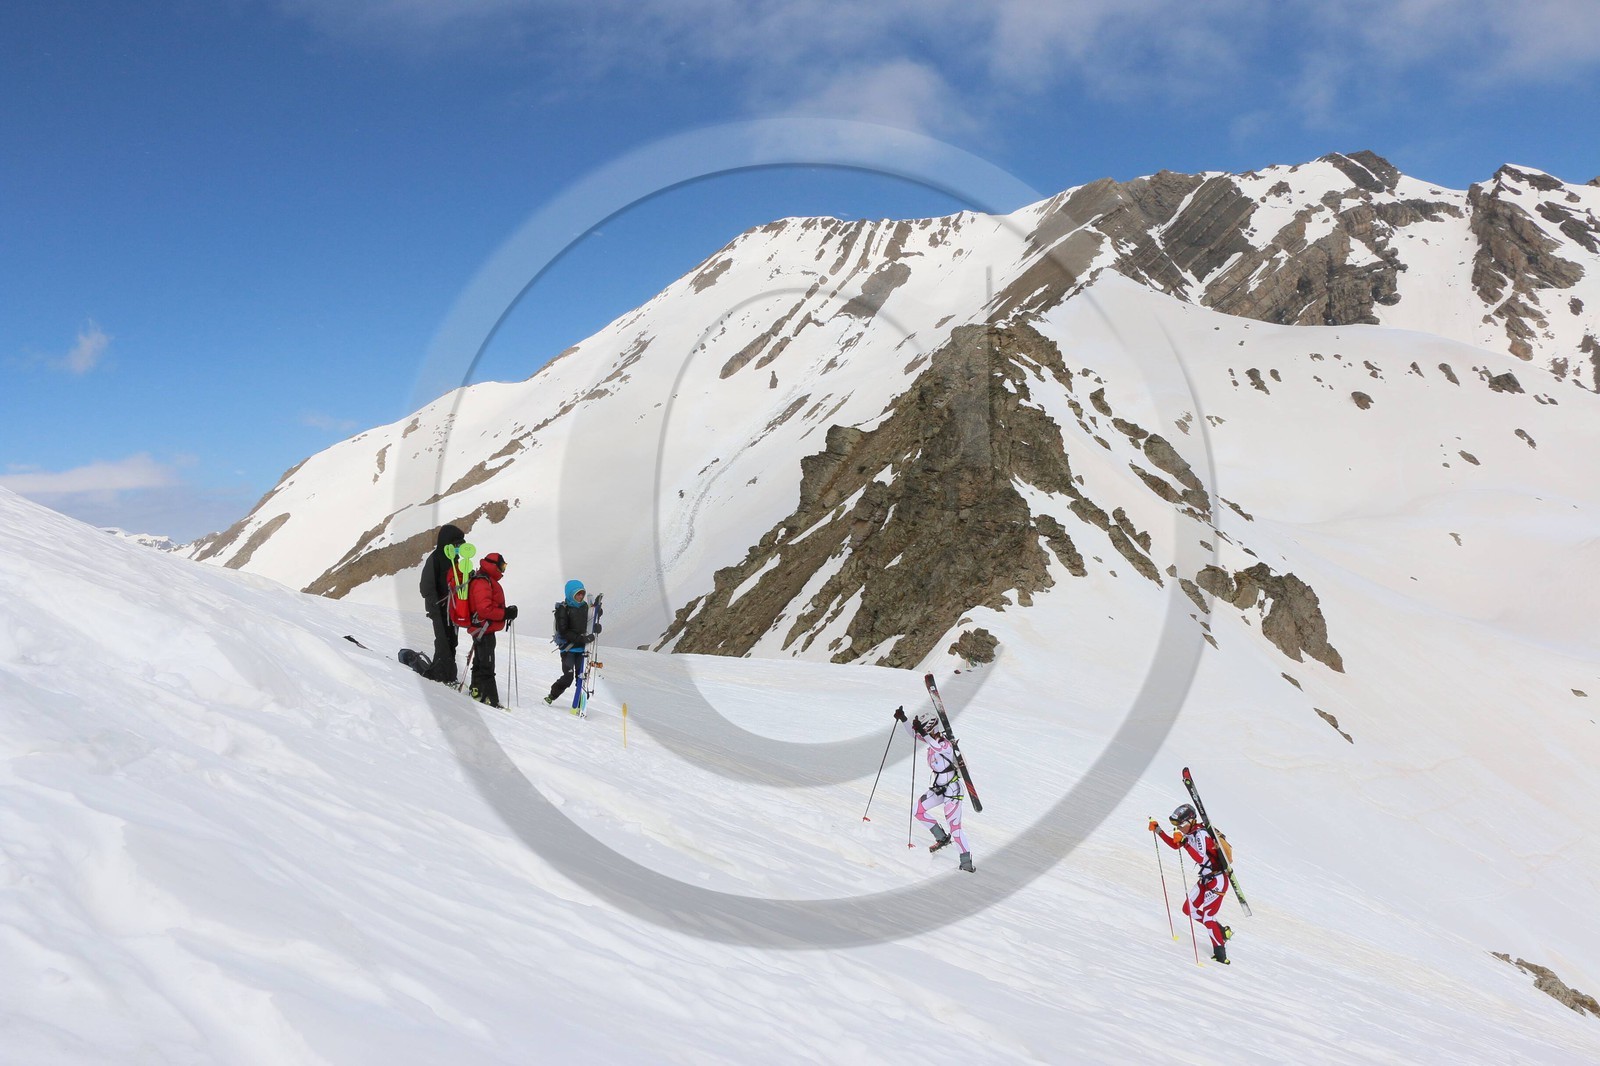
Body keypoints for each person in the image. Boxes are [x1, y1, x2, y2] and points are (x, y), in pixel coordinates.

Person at [894, 706, 975, 873]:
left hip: (953, 791)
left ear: (931, 728)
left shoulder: (945, 744)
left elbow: (937, 747)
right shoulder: (930, 739)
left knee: (955, 827)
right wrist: (904, 719)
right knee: (918, 810)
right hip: (939, 788)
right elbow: (913, 734)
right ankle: (941, 838)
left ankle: (966, 862)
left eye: (925, 729)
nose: (923, 733)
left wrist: (923, 732)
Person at [1151, 803, 1233, 964]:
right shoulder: (1190, 833)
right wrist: (1158, 830)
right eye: (1177, 826)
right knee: (1188, 909)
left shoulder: (1201, 834)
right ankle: (1221, 931)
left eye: (1181, 825)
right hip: (1205, 879)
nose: (1179, 829)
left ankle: (1221, 955)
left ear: (1191, 822)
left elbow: (1200, 857)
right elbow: (1176, 845)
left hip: (1217, 881)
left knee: (1209, 918)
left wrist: (1185, 842)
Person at [466, 551, 517, 708]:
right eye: (502, 566)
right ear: (494, 566)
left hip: (482, 628)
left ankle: (476, 690)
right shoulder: (483, 582)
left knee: (480, 661)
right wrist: (505, 613)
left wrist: (505, 611)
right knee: (487, 665)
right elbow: (484, 610)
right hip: (484, 629)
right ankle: (490, 699)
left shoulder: (484, 579)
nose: (503, 570)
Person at [417, 524, 466, 683]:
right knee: (443, 641)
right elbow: (426, 586)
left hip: (452, 609)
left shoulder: (455, 560)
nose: (459, 548)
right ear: (448, 543)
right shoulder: (436, 558)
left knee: (452, 641)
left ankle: (448, 675)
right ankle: (441, 675)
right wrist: (436, 604)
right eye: (457, 544)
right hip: (438, 609)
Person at [544, 579, 600, 705]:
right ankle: (552, 696)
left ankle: (579, 703)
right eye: (577, 594)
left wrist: (597, 617)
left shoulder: (585, 607)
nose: (580, 596)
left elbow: (590, 620)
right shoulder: (563, 609)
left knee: (581, 678)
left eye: (582, 593)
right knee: (568, 677)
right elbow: (564, 631)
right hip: (568, 649)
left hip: (582, 649)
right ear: (570, 594)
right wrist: (583, 639)